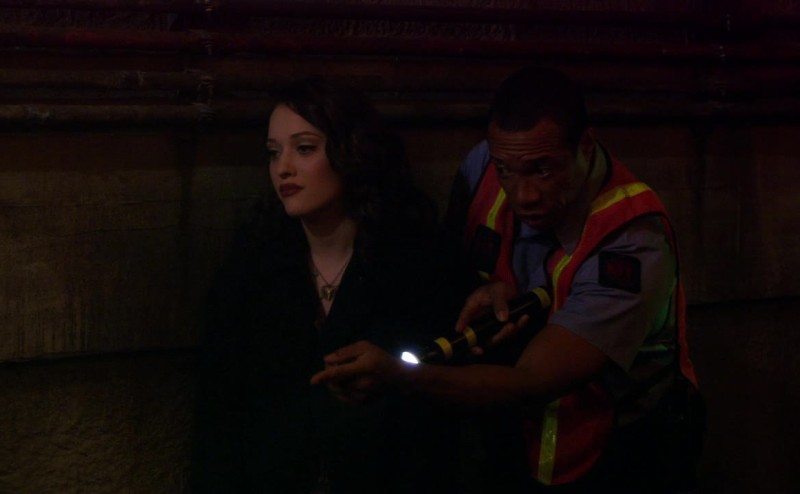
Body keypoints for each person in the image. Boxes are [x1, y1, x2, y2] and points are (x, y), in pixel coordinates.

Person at [311, 66, 705, 493]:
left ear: (585, 148)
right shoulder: (485, 164)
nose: (522, 195)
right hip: (506, 443)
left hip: (619, 453)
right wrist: (477, 288)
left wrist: (398, 376)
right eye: (508, 171)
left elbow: (533, 381)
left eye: (542, 171)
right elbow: (445, 266)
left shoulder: (631, 241)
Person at [190, 77, 466, 493]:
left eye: (304, 148)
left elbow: (436, 412)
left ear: (350, 151)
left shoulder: (412, 262)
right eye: (273, 153)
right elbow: (218, 410)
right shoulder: (253, 266)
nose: (283, 168)